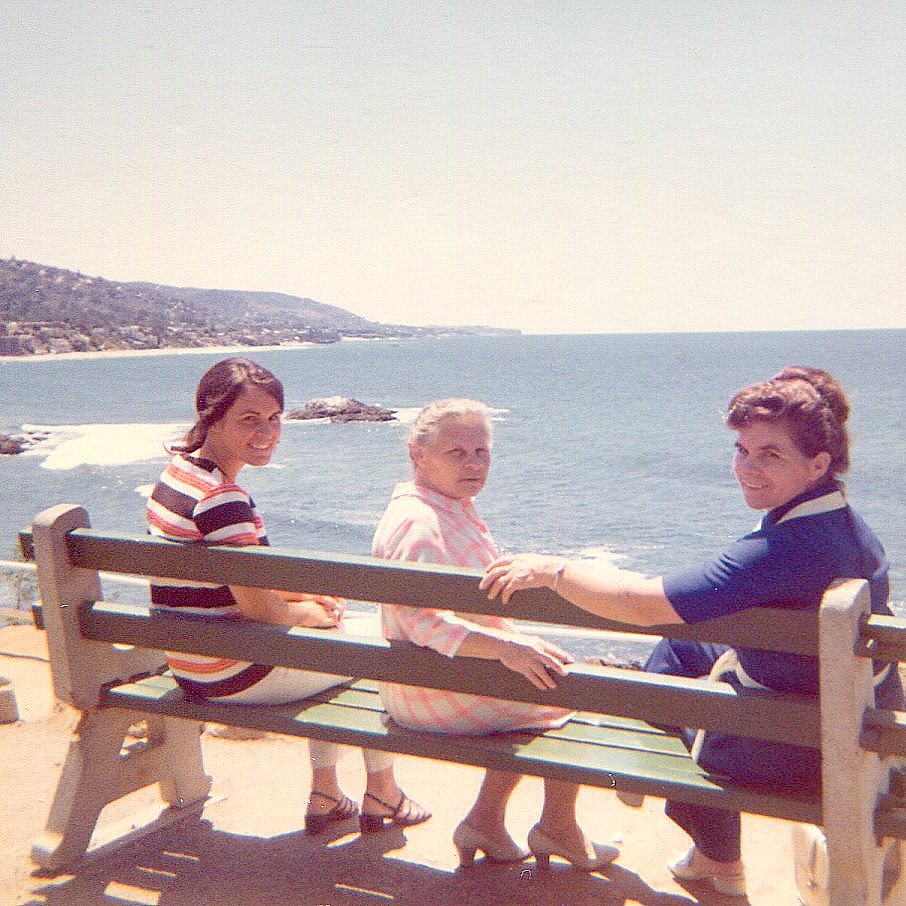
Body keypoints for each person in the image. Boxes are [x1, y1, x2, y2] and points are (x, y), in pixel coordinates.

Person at [481, 366, 903, 897]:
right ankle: (712, 854)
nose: (746, 467)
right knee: (681, 648)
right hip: (851, 721)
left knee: (672, 703)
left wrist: (553, 570)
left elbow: (641, 605)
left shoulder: (785, 548)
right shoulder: (843, 525)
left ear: (818, 463)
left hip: (796, 751)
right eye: (742, 450)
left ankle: (706, 840)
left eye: (770, 454)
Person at [146, 357, 429, 835]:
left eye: (274, 418)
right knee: (384, 649)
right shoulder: (222, 499)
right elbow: (261, 608)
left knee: (341, 636)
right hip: (232, 673)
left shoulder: (179, 475)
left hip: (192, 664)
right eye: (249, 419)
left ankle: (327, 793)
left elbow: (239, 578)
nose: (267, 432)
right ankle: (382, 792)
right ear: (212, 416)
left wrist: (308, 596)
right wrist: (311, 613)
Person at [372, 398, 618, 870]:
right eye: (457, 452)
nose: (473, 464)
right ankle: (558, 828)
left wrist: (516, 643)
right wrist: (507, 648)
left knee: (540, 679)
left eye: (481, 452)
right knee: (571, 693)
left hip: (428, 678)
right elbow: (422, 621)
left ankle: (485, 822)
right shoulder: (419, 523)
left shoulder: (443, 505)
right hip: (431, 692)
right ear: (418, 454)